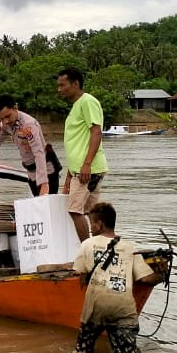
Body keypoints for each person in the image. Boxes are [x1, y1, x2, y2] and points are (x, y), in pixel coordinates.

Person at [73, 202, 166, 353]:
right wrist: (161, 274)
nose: (90, 228)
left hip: (96, 307)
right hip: (123, 309)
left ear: (99, 224)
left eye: (91, 224)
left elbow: (81, 273)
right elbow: (145, 279)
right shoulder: (130, 248)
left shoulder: (87, 244)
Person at [56, 68, 108, 241]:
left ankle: (89, 250)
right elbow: (77, 143)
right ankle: (100, 250)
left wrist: (86, 164)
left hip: (87, 170)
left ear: (75, 84)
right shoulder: (76, 106)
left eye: (62, 85)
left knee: (74, 210)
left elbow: (96, 132)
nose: (59, 89)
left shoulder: (87, 102)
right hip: (82, 170)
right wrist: (69, 178)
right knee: (93, 215)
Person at [0, 95, 54, 197]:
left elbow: (39, 152)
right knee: (37, 204)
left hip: (46, 168)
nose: (5, 121)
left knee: (47, 205)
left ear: (15, 108)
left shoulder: (28, 125)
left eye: (8, 116)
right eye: (2, 118)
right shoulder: (5, 124)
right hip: (31, 169)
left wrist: (44, 182)